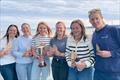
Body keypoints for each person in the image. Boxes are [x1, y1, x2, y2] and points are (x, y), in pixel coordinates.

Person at [88, 8, 120, 80]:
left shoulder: (113, 30)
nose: (95, 21)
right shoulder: (94, 34)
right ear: (90, 21)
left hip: (114, 74)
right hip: (98, 73)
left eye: (97, 18)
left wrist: (111, 53)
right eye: (92, 19)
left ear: (102, 18)